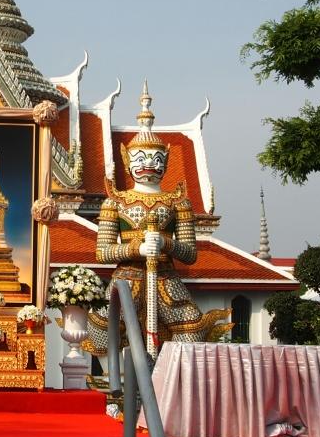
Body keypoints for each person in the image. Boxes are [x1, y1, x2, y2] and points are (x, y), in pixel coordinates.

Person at [87, 83, 225, 355]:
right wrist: (136, 249)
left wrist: (165, 244)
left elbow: (190, 254)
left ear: (166, 161)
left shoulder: (178, 202)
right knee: (102, 333)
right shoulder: (115, 202)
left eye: (155, 158)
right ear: (127, 161)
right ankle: (116, 378)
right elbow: (102, 253)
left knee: (191, 331)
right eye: (140, 158)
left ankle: (173, 377)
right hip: (127, 278)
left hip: (165, 277)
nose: (148, 164)